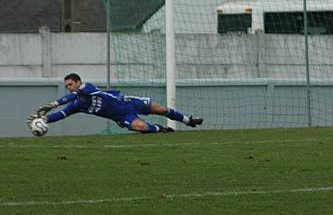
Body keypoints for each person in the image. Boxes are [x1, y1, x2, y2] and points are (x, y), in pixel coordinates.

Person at [27, 73, 203, 133]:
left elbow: (74, 95)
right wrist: (44, 120)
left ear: (78, 82)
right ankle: (160, 129)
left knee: (161, 108)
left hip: (128, 102)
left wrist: (54, 103)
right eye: (66, 86)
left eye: (70, 84)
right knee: (141, 127)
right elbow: (62, 114)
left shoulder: (87, 88)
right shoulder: (78, 104)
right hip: (122, 115)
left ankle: (189, 121)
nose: (69, 88)